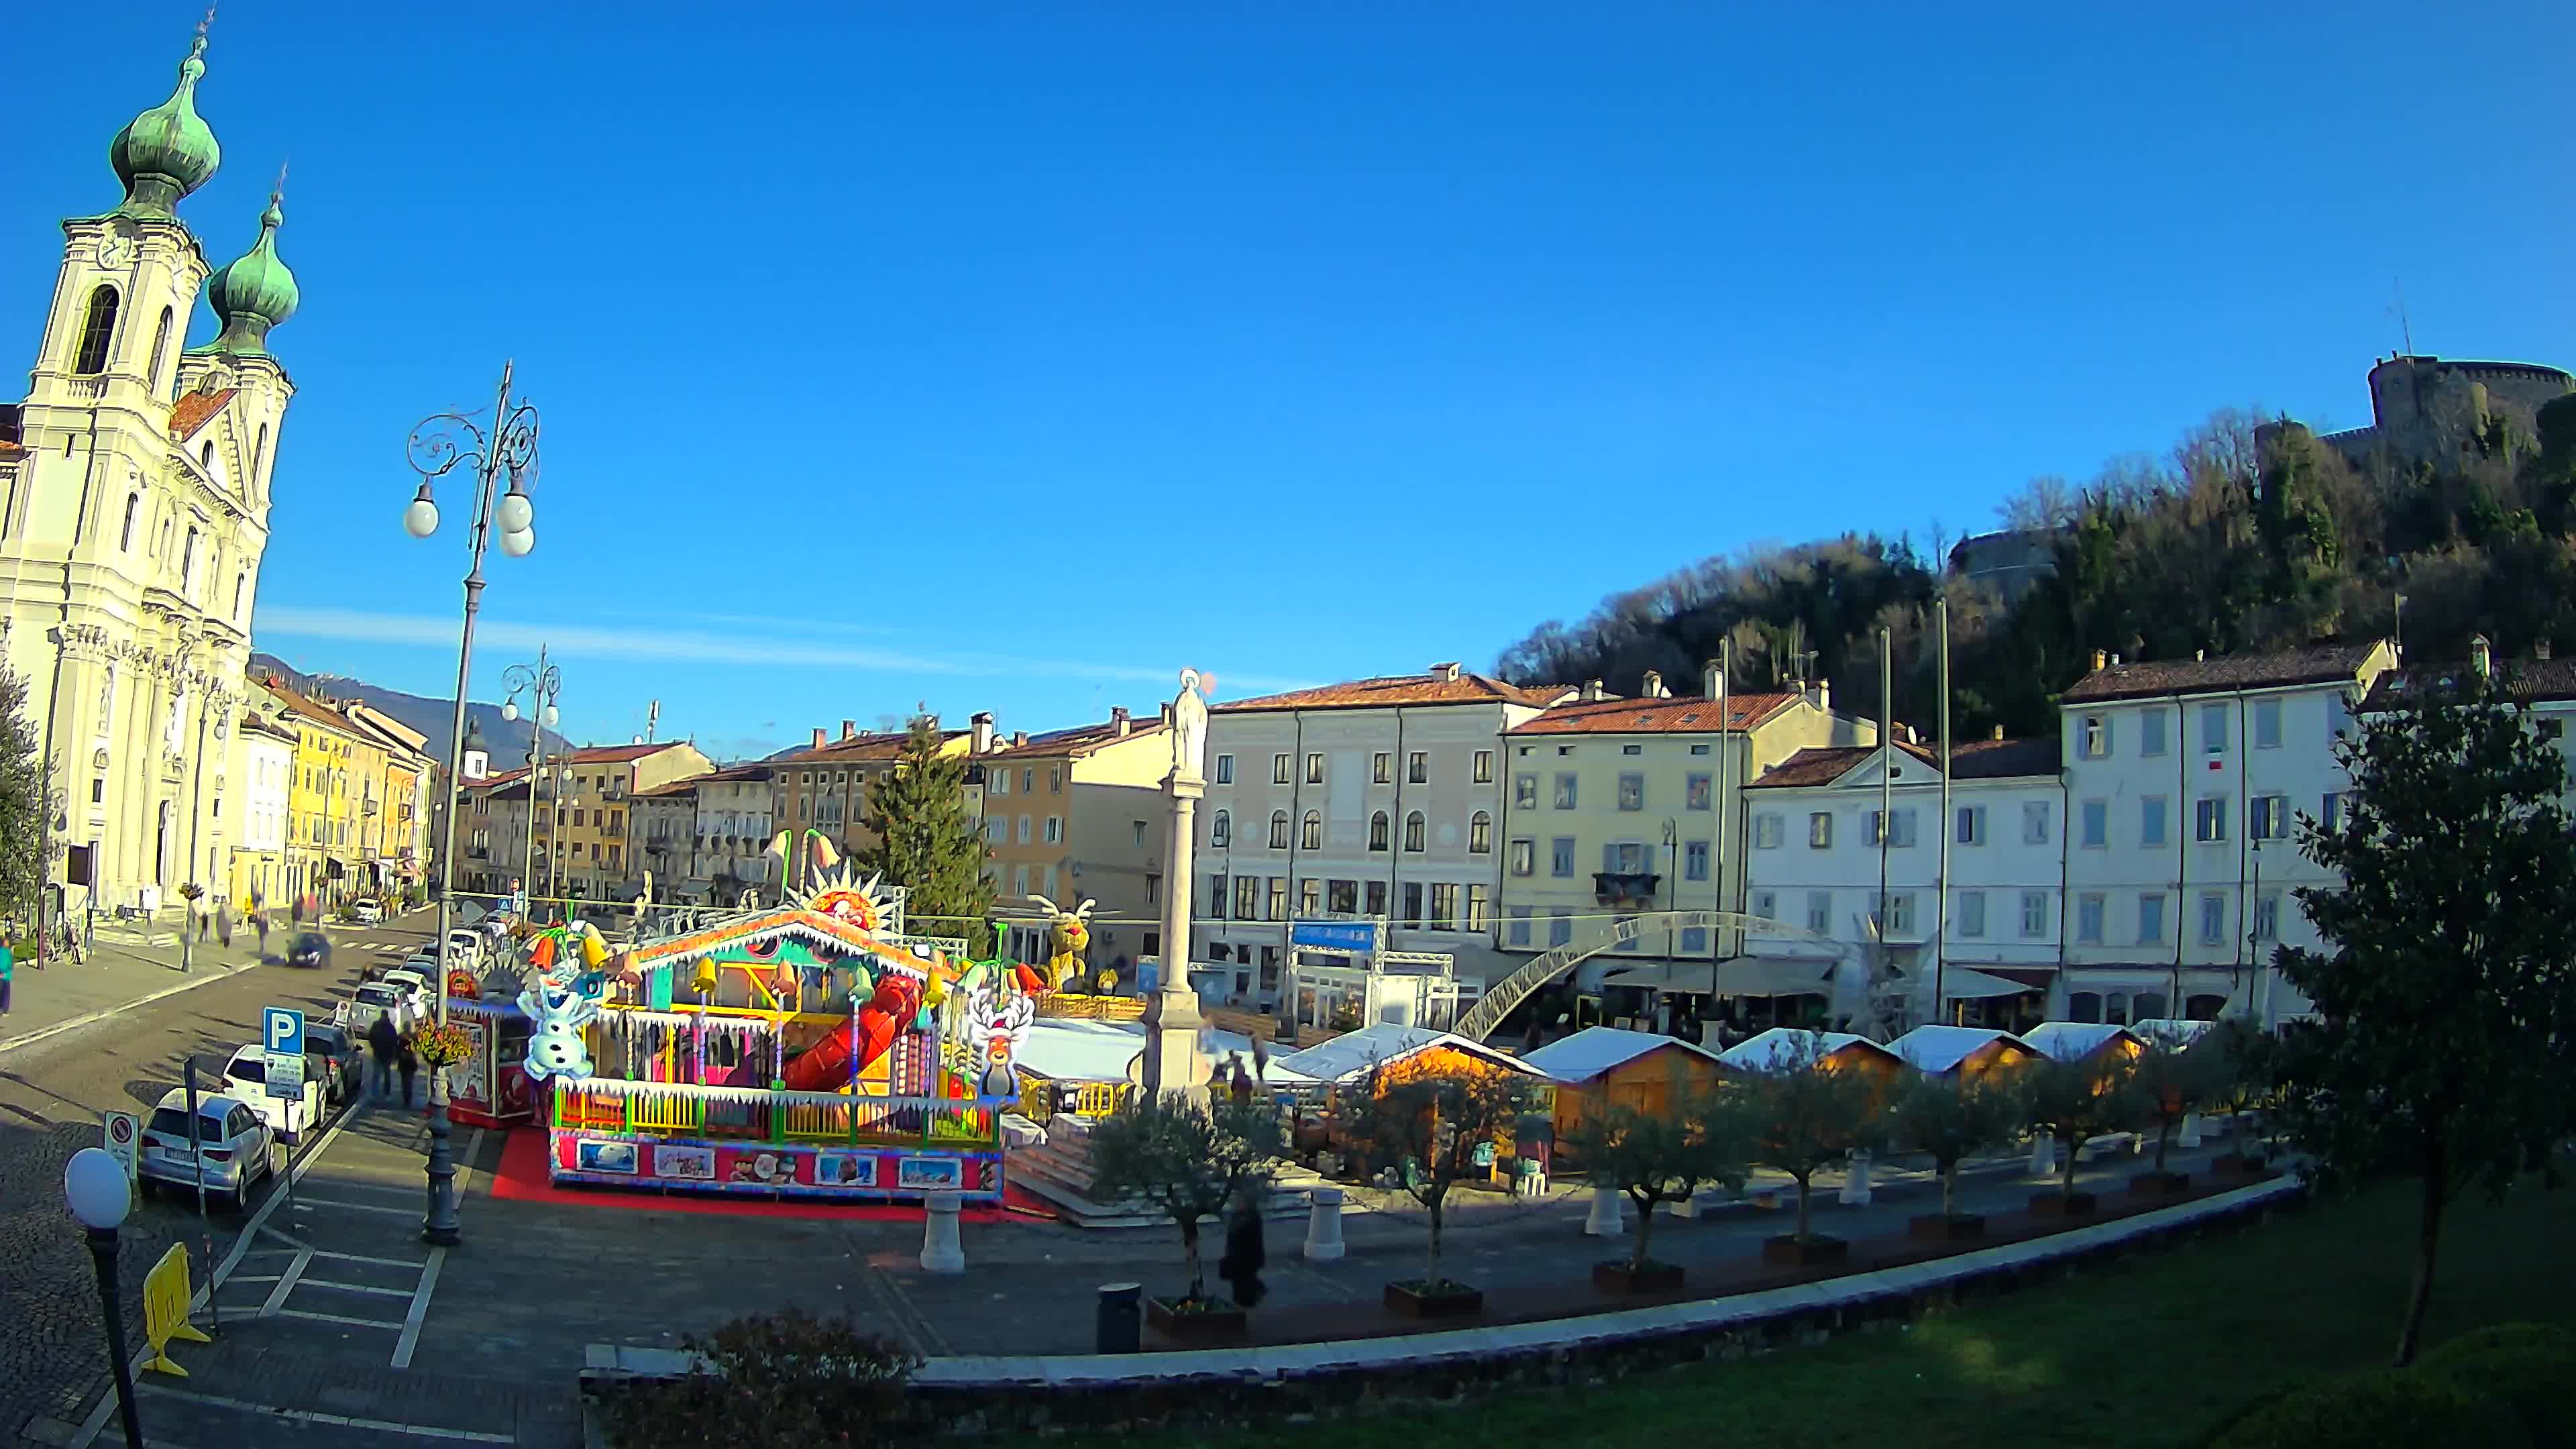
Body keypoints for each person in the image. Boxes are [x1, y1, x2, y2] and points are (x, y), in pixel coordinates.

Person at [1216, 1194, 1267, 1308]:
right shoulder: (1240, 1216)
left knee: (1245, 1281)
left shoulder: (1251, 1217)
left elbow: (1252, 1239)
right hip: (1238, 1255)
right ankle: (1249, 1297)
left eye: (1240, 1202)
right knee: (1241, 1281)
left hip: (1246, 1256)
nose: (1237, 1204)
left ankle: (1248, 1301)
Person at [367, 1013, 400, 1101]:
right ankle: (386, 1094)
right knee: (386, 1075)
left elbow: (371, 1037)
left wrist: (374, 1046)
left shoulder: (376, 1025)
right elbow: (395, 1041)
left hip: (379, 1053)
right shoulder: (390, 1027)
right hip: (386, 1054)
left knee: (377, 1074)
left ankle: (375, 1093)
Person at [397, 1032, 420, 1109]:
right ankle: (408, 1100)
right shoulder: (412, 1041)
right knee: (408, 1083)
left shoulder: (402, 1040)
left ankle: (406, 1100)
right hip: (410, 1065)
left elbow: (398, 1053)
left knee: (405, 1083)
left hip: (405, 1065)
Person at [0, 932, 13, 1016]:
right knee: (5, 994)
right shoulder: (8, 952)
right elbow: (11, 964)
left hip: (4, 975)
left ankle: (3, 1009)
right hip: (5, 976)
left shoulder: (5, 951)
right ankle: (4, 1010)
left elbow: (11, 964)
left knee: (3, 993)